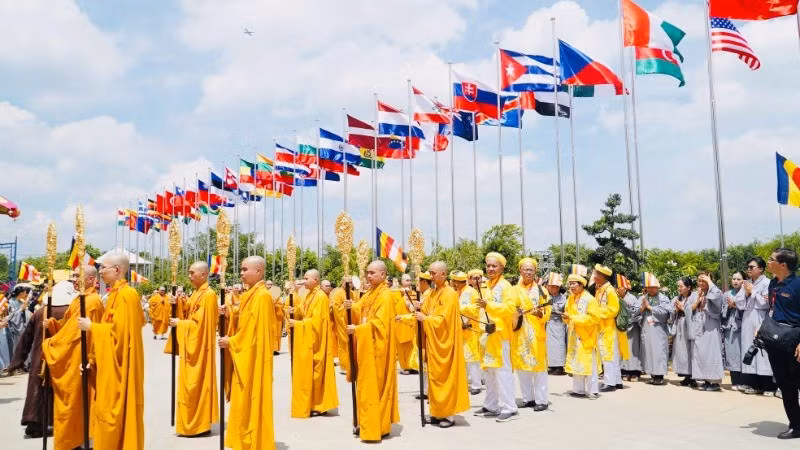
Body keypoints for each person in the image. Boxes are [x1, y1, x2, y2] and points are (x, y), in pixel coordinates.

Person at [77, 253, 145, 450]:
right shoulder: (114, 294)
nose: (100, 271)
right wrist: (93, 358)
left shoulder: (127, 295)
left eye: (103, 267)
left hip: (122, 366)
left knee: (118, 414)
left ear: (117, 270)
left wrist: (92, 327)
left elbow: (121, 335)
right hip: (110, 364)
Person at [42, 266, 105, 449]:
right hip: (74, 355)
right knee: (74, 402)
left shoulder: (92, 302)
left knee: (81, 402)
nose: (74, 279)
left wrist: (52, 344)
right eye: (74, 276)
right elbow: (69, 325)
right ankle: (77, 439)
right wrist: (53, 324)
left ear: (92, 280)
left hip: (82, 358)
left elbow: (84, 334)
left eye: (79, 276)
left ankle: (86, 441)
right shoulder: (79, 299)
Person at [218, 256, 275, 449]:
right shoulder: (251, 294)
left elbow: (255, 334)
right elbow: (246, 322)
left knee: (250, 400)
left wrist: (232, 341)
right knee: (241, 401)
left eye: (244, 270)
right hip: (245, 357)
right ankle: (244, 440)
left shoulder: (262, 296)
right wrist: (229, 313)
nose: (241, 273)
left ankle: (254, 441)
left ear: (258, 271)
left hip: (253, 359)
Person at [344, 260, 399, 442]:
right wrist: (350, 306)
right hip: (366, 349)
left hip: (378, 351)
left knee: (374, 389)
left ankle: (378, 426)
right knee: (364, 388)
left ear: (383, 275)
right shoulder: (370, 292)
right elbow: (361, 308)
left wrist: (358, 330)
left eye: (372, 273)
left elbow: (379, 326)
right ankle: (366, 422)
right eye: (367, 273)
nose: (368, 276)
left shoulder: (385, 296)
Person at [10, 280, 73, 438]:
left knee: (38, 390)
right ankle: (61, 423)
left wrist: (16, 362)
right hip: (63, 358)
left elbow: (26, 339)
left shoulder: (40, 312)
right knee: (60, 391)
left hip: (40, 358)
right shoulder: (71, 311)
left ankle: (34, 423)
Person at [166, 262, 219, 436]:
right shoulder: (197, 293)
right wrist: (179, 304)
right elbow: (190, 311)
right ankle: (189, 422)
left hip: (200, 348)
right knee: (188, 384)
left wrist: (180, 324)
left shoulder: (209, 295)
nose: (189, 276)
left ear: (203, 275)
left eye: (192, 273)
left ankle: (200, 425)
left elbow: (201, 325)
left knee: (196, 384)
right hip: (191, 346)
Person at [417, 261, 469, 428]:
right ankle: (436, 413)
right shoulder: (432, 292)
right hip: (434, 343)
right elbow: (426, 311)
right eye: (430, 273)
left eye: (433, 273)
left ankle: (448, 415)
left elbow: (443, 320)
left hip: (445, 343)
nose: (430, 276)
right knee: (433, 379)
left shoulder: (450, 294)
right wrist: (418, 308)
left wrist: (425, 319)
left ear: (443, 275)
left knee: (445, 379)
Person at [473, 252, 519, 423]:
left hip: (501, 336)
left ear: (502, 268)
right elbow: (480, 308)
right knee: (489, 372)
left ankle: (510, 407)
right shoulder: (487, 286)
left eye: (494, 266)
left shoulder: (506, 286)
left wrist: (489, 305)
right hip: (488, 335)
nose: (490, 269)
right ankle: (491, 405)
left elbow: (510, 309)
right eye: (488, 265)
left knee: (503, 372)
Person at [288, 269, 338, 418]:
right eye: (303, 278)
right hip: (309, 340)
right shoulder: (309, 295)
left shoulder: (321, 297)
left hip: (318, 342)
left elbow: (316, 323)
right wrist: (294, 310)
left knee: (317, 372)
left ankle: (319, 405)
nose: (303, 281)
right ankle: (310, 402)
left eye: (306, 278)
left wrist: (297, 324)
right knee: (309, 373)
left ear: (316, 280)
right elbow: (303, 310)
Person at [764, 248, 800, 439]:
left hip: (795, 342)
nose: (768, 262)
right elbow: (772, 310)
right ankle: (796, 425)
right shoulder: (772, 284)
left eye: (771, 259)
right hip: (776, 341)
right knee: (785, 385)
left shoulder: (798, 285)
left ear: (783, 265)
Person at [512, 258, 550, 411]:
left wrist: (541, 314)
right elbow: (509, 309)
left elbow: (548, 311)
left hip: (536, 333)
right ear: (520, 271)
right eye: (525, 269)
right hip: (519, 333)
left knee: (539, 368)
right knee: (522, 368)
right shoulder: (513, 290)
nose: (528, 272)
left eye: (531, 270)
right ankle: (528, 399)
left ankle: (542, 400)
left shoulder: (542, 290)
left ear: (535, 272)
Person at [737, 257, 776, 395]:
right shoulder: (746, 284)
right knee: (750, 350)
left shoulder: (767, 283)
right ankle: (754, 384)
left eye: (751, 267)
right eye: (748, 267)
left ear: (761, 269)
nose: (748, 269)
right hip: (748, 319)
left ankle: (769, 385)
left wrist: (752, 291)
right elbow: (739, 304)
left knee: (762, 351)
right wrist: (747, 293)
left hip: (761, 319)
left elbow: (767, 303)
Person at [563, 270, 600, 398]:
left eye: (574, 284)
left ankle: (592, 390)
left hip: (587, 335)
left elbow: (594, 318)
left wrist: (573, 317)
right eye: (570, 284)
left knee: (589, 363)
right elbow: (568, 315)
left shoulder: (590, 299)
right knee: (576, 361)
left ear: (582, 285)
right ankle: (578, 390)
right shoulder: (570, 298)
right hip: (574, 334)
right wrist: (566, 317)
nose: (572, 287)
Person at [593, 264, 629, 392]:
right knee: (611, 355)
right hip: (603, 327)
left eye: (596, 274)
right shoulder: (600, 289)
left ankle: (609, 382)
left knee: (608, 355)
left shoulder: (609, 291)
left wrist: (597, 312)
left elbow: (613, 310)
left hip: (609, 328)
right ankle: (617, 381)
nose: (593, 276)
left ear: (602, 276)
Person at [691, 273, 725, 392]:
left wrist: (710, 282)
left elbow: (716, 298)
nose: (701, 283)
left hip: (711, 325)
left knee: (712, 353)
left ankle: (715, 382)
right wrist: (698, 300)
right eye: (699, 281)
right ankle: (705, 380)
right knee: (701, 353)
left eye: (704, 281)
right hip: (700, 326)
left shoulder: (716, 292)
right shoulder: (699, 294)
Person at [458, 270, 483, 395]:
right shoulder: (457, 292)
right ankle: (463, 383)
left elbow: (476, 308)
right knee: (462, 359)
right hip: (460, 330)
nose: (457, 283)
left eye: (460, 281)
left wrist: (461, 310)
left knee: (472, 358)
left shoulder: (471, 292)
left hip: (471, 328)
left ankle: (476, 384)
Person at [671, 276, 696, 387]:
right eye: (678, 286)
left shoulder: (694, 297)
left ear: (689, 287)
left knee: (690, 350)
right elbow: (670, 313)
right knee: (682, 351)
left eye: (681, 286)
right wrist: (676, 310)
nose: (679, 288)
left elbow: (695, 311)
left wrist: (683, 309)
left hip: (690, 325)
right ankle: (686, 376)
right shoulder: (677, 298)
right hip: (680, 324)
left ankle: (692, 377)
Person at [722, 271, 745, 391]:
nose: (735, 281)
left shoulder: (746, 293)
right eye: (734, 279)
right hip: (729, 327)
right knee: (731, 354)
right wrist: (728, 306)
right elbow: (721, 310)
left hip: (742, 327)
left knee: (742, 353)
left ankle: (744, 381)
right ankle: (735, 381)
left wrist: (736, 305)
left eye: (738, 279)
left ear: (744, 281)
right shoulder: (726, 294)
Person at [0, 284, 30, 373]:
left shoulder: (21, 302)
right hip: (12, 328)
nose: (26, 294)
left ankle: (19, 365)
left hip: (20, 327)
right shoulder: (11, 302)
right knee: (12, 348)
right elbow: (11, 316)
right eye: (25, 293)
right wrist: (21, 309)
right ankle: (11, 366)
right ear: (20, 293)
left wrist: (24, 310)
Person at [617, 275, 642, 381]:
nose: (617, 289)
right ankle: (624, 371)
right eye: (617, 287)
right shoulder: (617, 298)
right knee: (622, 350)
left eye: (620, 287)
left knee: (632, 349)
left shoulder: (632, 299)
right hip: (620, 327)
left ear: (626, 288)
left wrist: (627, 322)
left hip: (632, 328)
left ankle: (635, 372)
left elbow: (635, 313)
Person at [394, 273, 419, 375]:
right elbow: (394, 306)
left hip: (411, 322)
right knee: (402, 346)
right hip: (400, 322)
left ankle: (412, 366)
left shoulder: (413, 293)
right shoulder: (395, 293)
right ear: (402, 282)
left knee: (412, 345)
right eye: (407, 280)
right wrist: (404, 298)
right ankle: (404, 367)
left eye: (410, 280)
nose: (409, 282)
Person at [544, 272, 567, 375]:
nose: (550, 288)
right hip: (549, 323)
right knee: (550, 345)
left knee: (559, 345)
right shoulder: (546, 296)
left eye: (552, 287)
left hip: (559, 323)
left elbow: (560, 309)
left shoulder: (562, 297)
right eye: (549, 286)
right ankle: (552, 365)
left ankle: (560, 366)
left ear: (557, 288)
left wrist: (550, 308)